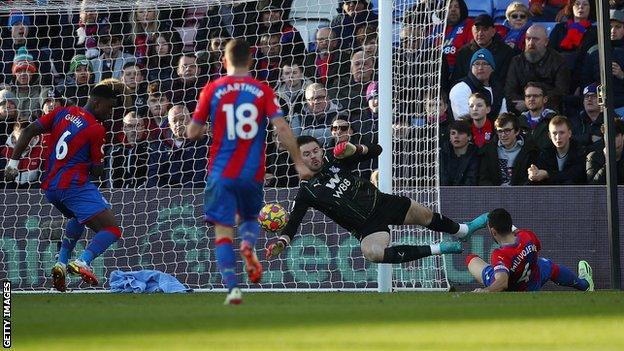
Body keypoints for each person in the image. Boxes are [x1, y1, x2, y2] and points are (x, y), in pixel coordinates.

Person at [187, 38, 312, 305]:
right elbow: (281, 128)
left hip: (221, 172)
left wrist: (208, 125)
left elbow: (192, 132)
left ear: (224, 61)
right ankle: (248, 244)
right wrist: (299, 162)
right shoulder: (262, 90)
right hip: (252, 171)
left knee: (222, 230)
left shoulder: (212, 89)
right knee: (249, 220)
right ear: (250, 61)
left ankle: (232, 288)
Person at [265, 135, 489, 269]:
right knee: (372, 253)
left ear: (322, 150)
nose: (313, 156)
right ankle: (439, 248)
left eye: (316, 150)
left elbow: (377, 150)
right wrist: (281, 243)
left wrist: (354, 149)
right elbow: (293, 223)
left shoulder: (336, 160)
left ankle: (462, 230)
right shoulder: (306, 192)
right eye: (307, 154)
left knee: (426, 216)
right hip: (366, 227)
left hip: (382, 203)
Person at [3, 83, 123, 292]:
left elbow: (30, 129)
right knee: (111, 229)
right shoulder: (95, 128)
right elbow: (97, 171)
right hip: (74, 186)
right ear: (97, 103)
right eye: (109, 107)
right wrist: (98, 159)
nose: (110, 113)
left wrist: (13, 163)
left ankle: (61, 262)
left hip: (51, 188)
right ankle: (83, 261)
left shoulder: (62, 112)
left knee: (78, 217)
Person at [465, 208, 594, 292]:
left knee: (471, 259)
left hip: (513, 288)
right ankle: (585, 285)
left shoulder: (500, 254)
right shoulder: (527, 235)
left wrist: (485, 291)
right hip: (534, 280)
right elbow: (535, 247)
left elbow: (502, 282)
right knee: (547, 265)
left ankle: (495, 271)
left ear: (493, 231)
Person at [528, 115, 587, 184]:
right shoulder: (545, 153)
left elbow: (576, 176)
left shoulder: (580, 152)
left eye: (562, 133)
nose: (558, 137)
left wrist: (548, 174)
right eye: (554, 133)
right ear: (549, 136)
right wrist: (534, 174)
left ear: (569, 133)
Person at [586, 118, 624, 184]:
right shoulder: (593, 157)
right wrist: (608, 162)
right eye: (608, 136)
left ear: (623, 136)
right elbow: (594, 187)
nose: (611, 139)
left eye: (615, 136)